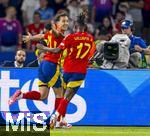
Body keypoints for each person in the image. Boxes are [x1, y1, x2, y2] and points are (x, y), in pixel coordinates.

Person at [8, 10, 71, 128]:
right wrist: (54, 27)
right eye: (63, 21)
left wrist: (31, 38)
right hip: (51, 65)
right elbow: (56, 35)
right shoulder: (60, 34)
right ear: (56, 23)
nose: (66, 23)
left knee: (43, 96)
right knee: (60, 94)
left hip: (43, 66)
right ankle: (59, 121)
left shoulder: (50, 34)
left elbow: (42, 36)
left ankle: (21, 95)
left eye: (67, 21)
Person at [38, 11, 96, 129]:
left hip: (67, 71)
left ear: (75, 26)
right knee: (66, 98)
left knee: (63, 95)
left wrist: (44, 47)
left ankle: (62, 120)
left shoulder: (70, 37)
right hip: (79, 72)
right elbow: (91, 56)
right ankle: (56, 116)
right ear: (85, 27)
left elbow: (57, 51)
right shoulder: (90, 39)